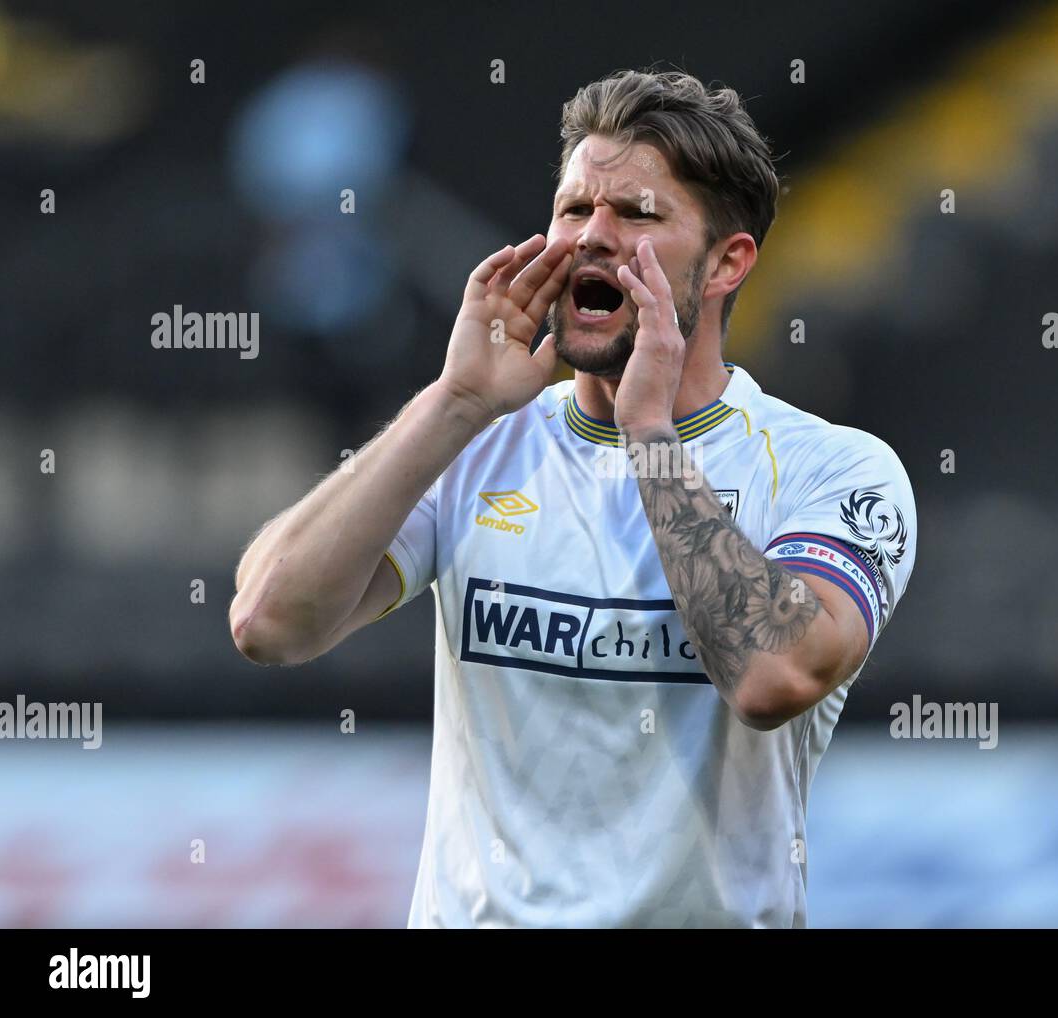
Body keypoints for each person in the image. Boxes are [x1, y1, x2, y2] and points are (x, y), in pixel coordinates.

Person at [230, 68, 916, 928]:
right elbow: (270, 622)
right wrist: (452, 402)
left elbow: (774, 674)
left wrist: (652, 439)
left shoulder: (834, 470)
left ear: (726, 263)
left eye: (636, 214)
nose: (591, 238)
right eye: (571, 209)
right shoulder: (477, 439)